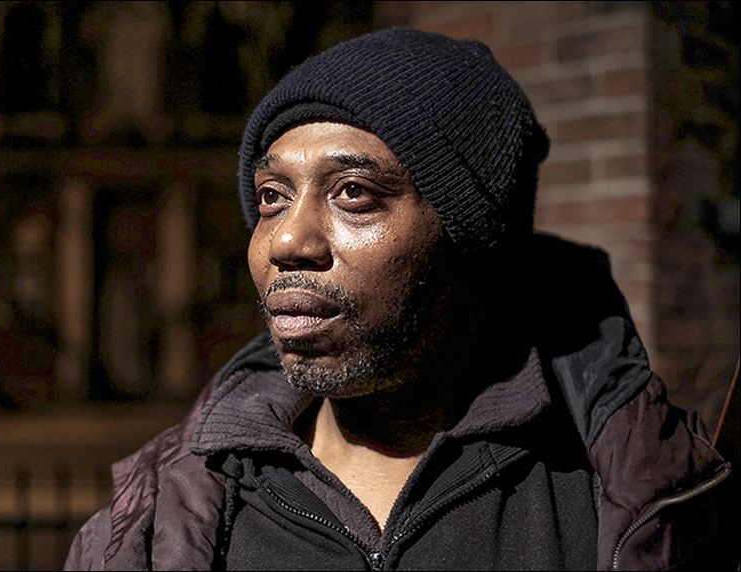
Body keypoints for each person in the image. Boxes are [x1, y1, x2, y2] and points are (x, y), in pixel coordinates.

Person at [65, 29, 732, 571]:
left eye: (353, 192)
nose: (287, 240)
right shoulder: (162, 520)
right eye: (272, 197)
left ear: (472, 237)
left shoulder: (630, 501)